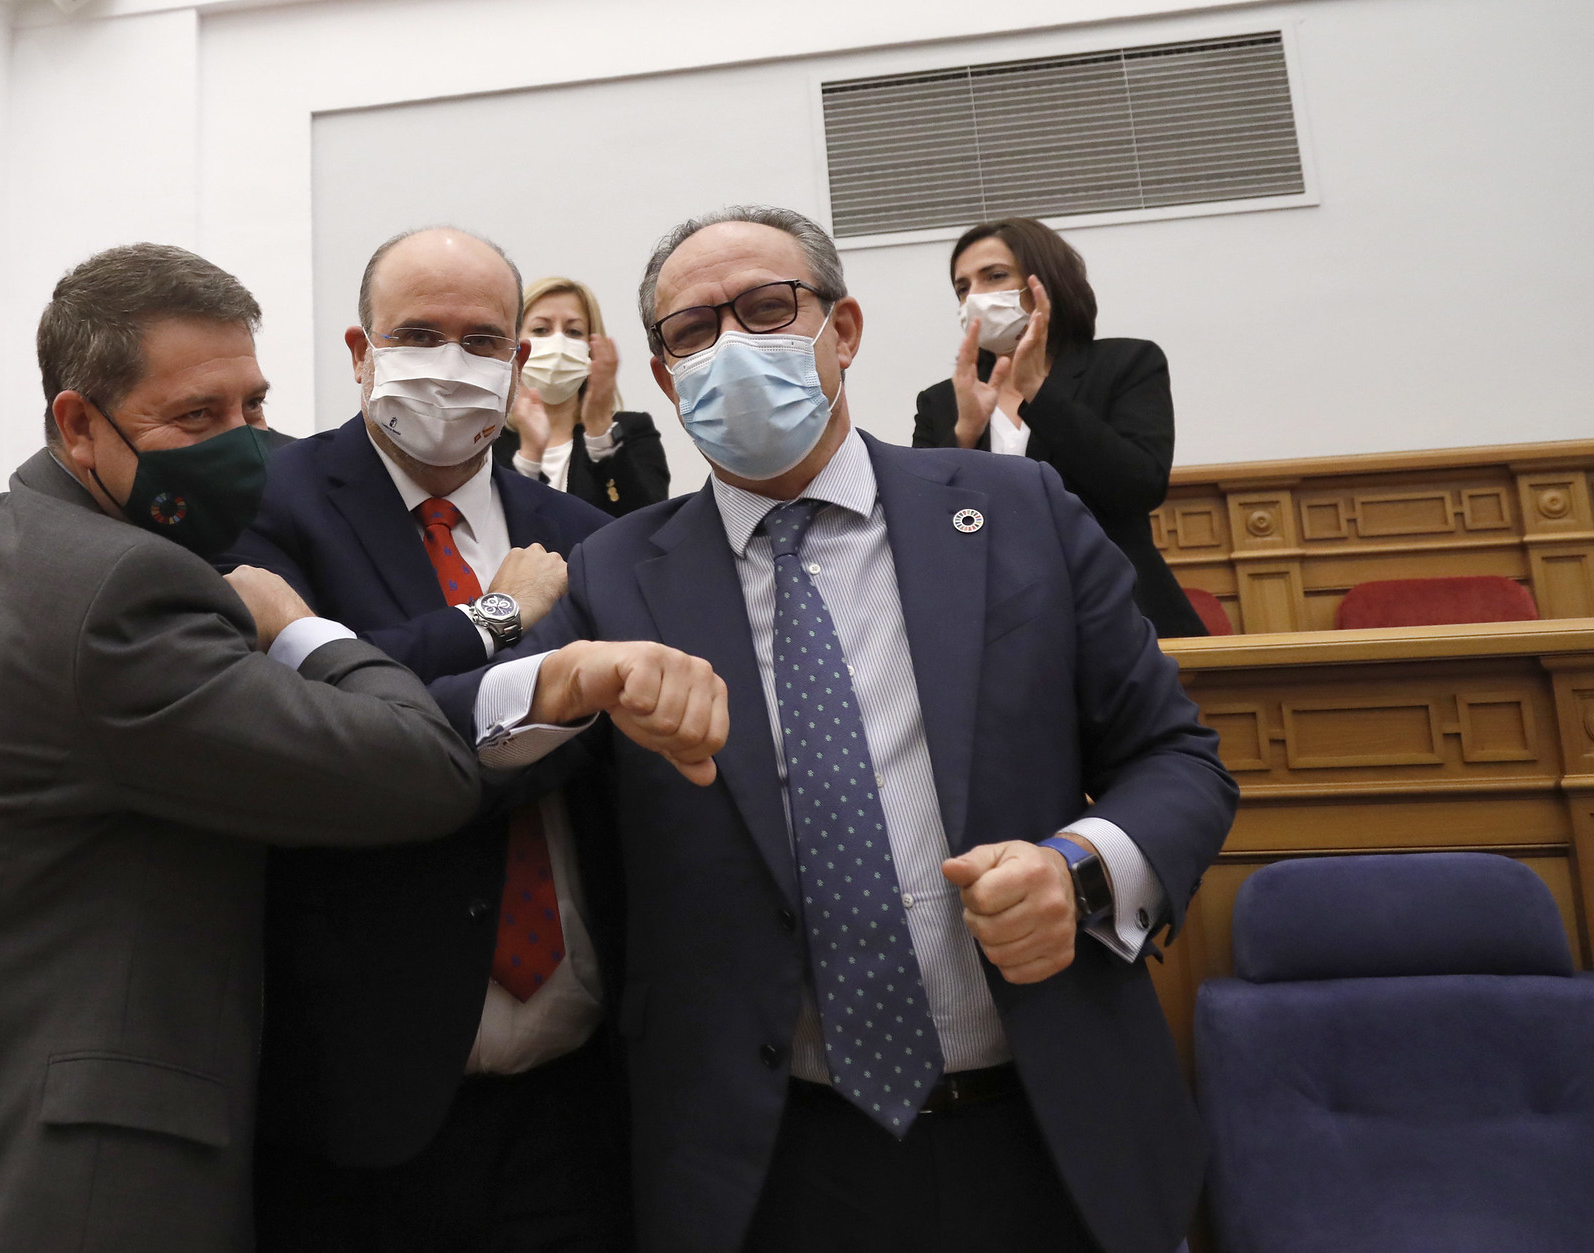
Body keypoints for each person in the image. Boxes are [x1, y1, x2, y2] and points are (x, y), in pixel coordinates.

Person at [431, 206, 1238, 1253]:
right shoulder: (617, 568)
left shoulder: (1019, 506)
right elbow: (463, 737)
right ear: (667, 379)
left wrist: (1081, 868)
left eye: (767, 308)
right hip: (767, 1158)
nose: (730, 345)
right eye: (690, 331)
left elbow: (1177, 757)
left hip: (1046, 1128)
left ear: (842, 329)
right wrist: (562, 674)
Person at [0, 244, 482, 1253]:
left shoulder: (23, 540)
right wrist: (296, 625)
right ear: (79, 424)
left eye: (254, 406)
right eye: (197, 417)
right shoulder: (115, 593)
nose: (247, 444)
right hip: (44, 1178)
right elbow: (420, 770)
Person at [225, 228, 703, 1252]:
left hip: (579, 1095)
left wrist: (356, 654)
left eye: (481, 338)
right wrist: (499, 619)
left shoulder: (582, 532)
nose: (448, 363)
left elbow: (585, 736)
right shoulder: (270, 505)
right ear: (360, 351)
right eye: (416, 333)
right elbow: (314, 738)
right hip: (359, 1102)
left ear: (518, 362)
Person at [911, 218, 1207, 639]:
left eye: (994, 276)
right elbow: (923, 525)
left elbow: (1138, 487)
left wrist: (1038, 391)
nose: (975, 296)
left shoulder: (1127, 364)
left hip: (1117, 620)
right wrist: (964, 434)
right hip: (998, 628)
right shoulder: (943, 400)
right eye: (962, 287)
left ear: (1043, 283)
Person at [495, 276, 669, 516]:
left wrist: (599, 432)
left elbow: (649, 522)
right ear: (517, 345)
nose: (558, 342)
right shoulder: (490, 438)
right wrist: (530, 458)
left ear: (592, 346)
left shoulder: (633, 430)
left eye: (573, 331)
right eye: (541, 329)